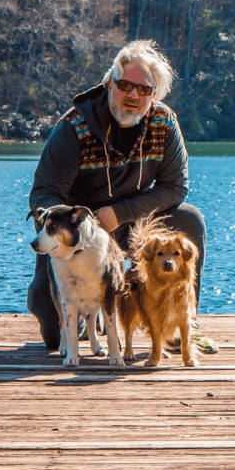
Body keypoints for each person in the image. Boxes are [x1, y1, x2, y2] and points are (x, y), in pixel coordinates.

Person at [27, 39, 206, 350]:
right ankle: (54, 304)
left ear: (154, 96)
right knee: (54, 339)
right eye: (125, 85)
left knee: (189, 220)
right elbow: (45, 193)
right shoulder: (73, 128)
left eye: (144, 90)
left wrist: (120, 213)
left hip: (134, 223)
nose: (133, 95)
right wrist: (77, 230)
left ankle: (180, 323)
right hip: (81, 231)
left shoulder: (164, 123)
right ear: (110, 83)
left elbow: (175, 187)